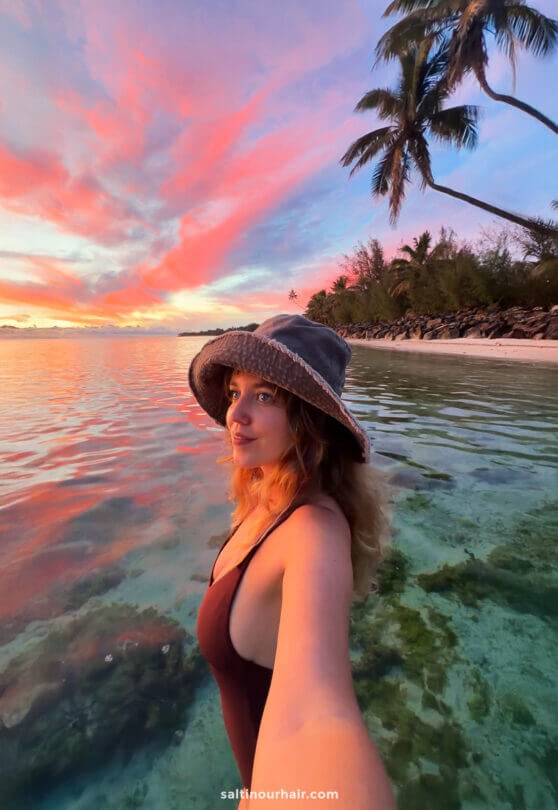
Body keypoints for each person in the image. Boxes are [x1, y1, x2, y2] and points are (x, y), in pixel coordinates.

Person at [189, 314, 396, 809]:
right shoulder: (267, 495)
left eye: (265, 397)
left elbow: (316, 716)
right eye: (236, 391)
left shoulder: (313, 531)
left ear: (309, 421)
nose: (235, 415)